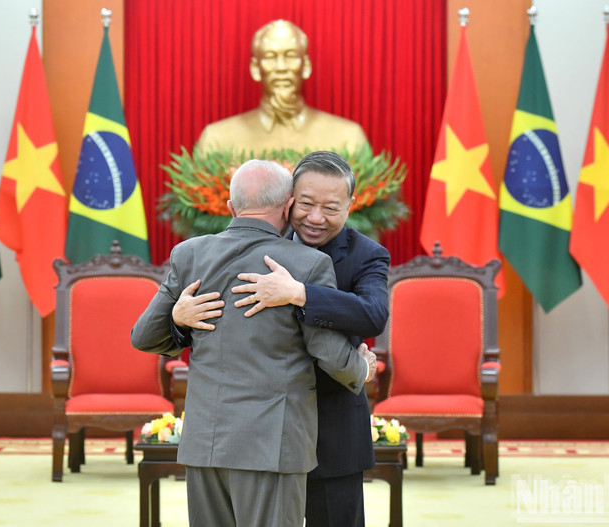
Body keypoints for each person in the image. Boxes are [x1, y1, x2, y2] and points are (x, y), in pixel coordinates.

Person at [131, 159, 377, 527]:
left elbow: (144, 337)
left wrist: (177, 318)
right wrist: (364, 368)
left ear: (230, 207)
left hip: (205, 444)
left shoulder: (190, 254)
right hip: (272, 446)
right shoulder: (307, 264)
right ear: (288, 206)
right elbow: (328, 353)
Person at [194, 19, 369, 153]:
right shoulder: (216, 140)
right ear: (255, 68)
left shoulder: (348, 138)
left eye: (290, 55)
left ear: (306, 66)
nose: (281, 67)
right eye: (270, 57)